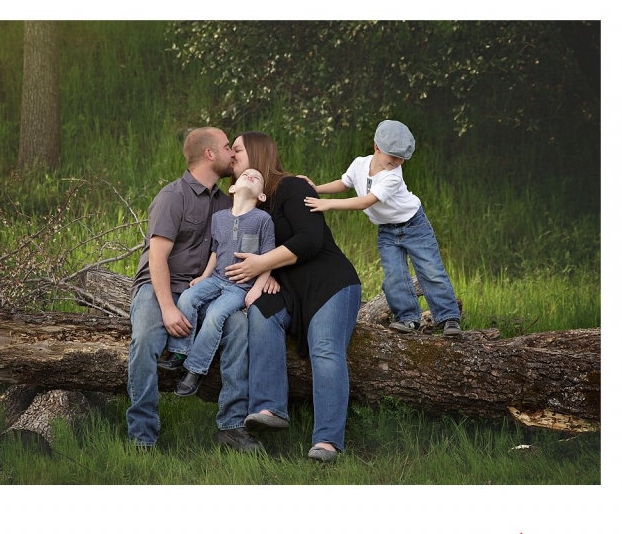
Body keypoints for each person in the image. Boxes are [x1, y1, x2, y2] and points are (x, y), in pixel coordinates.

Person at [224, 131, 362, 463]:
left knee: (325, 348)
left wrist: (262, 264)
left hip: (329, 284)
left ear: (258, 154)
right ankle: (270, 407)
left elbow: (310, 239)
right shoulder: (250, 205)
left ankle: (327, 440)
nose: (232, 157)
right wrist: (263, 275)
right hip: (286, 289)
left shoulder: (291, 187)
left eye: (238, 150)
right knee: (261, 313)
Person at [125, 127, 262, 452]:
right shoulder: (173, 197)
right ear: (210, 154)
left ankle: (231, 425)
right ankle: (142, 435)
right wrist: (169, 308)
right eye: (228, 147)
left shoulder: (226, 201)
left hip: (207, 287)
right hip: (159, 286)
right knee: (145, 339)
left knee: (239, 327)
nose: (232, 153)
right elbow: (157, 258)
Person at [302, 119, 462, 337]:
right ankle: (408, 319)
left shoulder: (392, 176)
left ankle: (449, 318)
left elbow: (365, 202)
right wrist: (316, 189)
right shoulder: (359, 164)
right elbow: (344, 182)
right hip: (387, 231)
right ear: (377, 148)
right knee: (394, 276)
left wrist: (329, 204)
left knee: (430, 271)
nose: (397, 162)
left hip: (414, 225)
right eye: (393, 156)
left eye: (402, 159)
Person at [158, 168, 276, 397]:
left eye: (257, 178)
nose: (250, 176)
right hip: (215, 278)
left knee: (215, 315)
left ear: (261, 196)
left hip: (239, 287)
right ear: (232, 188)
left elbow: (268, 259)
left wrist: (257, 289)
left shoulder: (263, 220)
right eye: (245, 175)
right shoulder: (219, 217)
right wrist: (203, 276)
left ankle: (194, 370)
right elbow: (215, 250)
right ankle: (179, 352)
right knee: (188, 298)